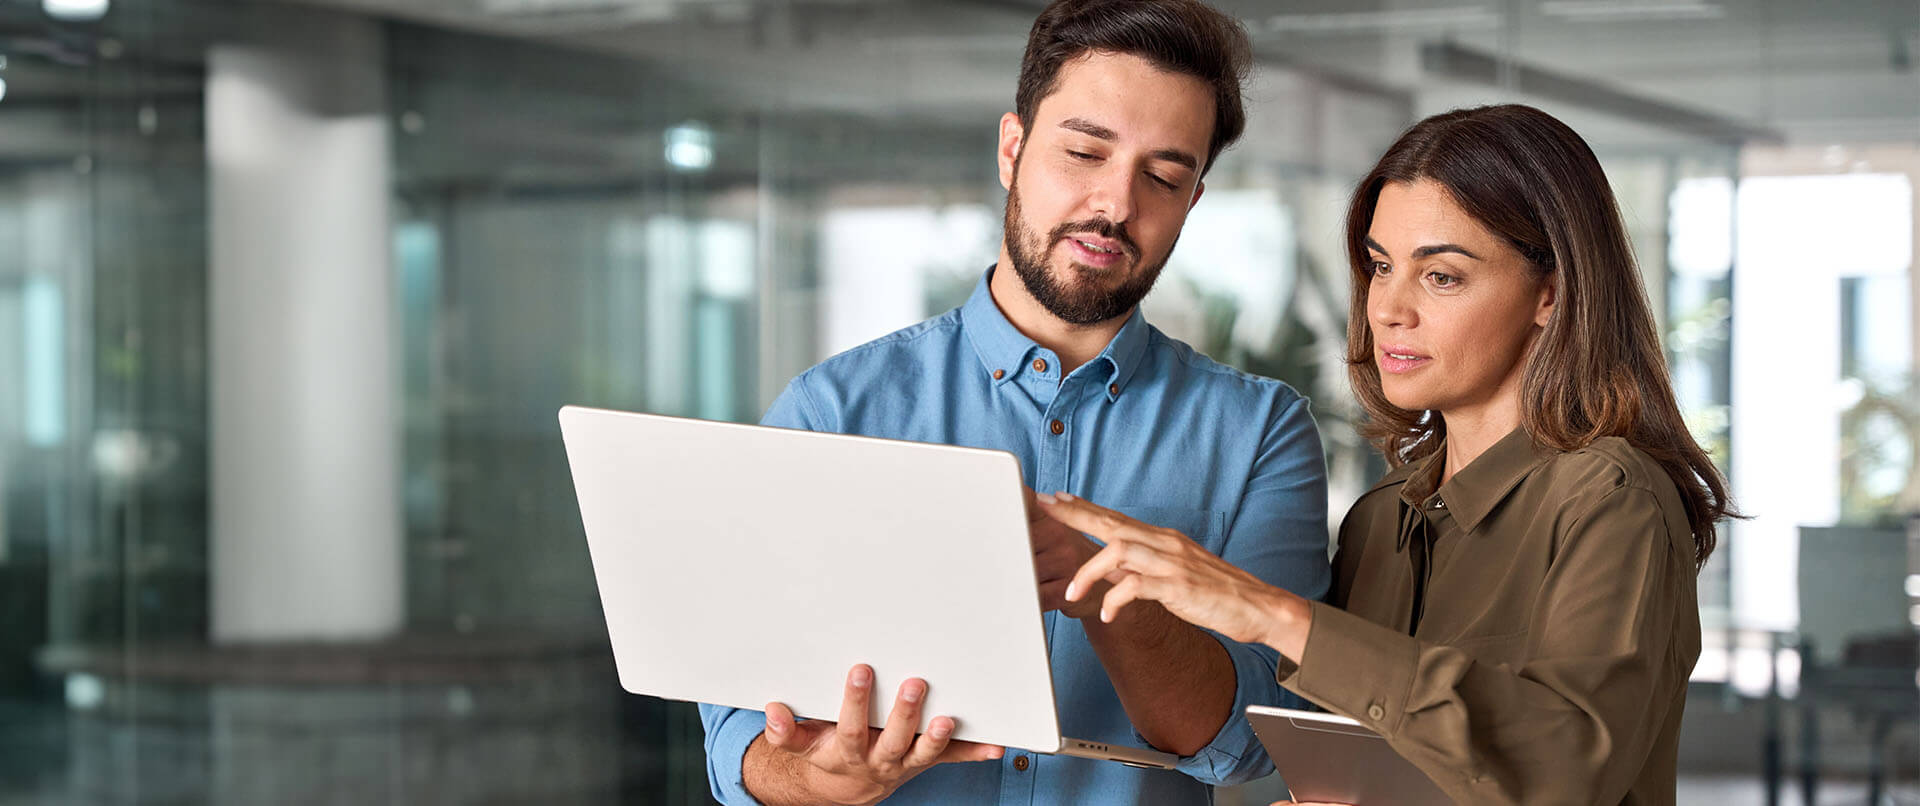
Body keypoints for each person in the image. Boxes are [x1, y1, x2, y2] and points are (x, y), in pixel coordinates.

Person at [695, 1, 1334, 804]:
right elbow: (736, 742)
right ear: (1013, 148)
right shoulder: (831, 411)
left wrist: (1103, 587)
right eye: (1083, 152)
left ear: (1194, 200)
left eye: (1163, 177)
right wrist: (817, 780)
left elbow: (1255, 740)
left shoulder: (1258, 433)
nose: (1115, 205)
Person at [1043, 103, 1736, 806]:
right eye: (1380, 266)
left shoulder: (1612, 498)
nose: (1387, 309)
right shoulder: (1379, 521)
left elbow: (1569, 766)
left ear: (1550, 293)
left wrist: (1273, 615)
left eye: (1442, 276)